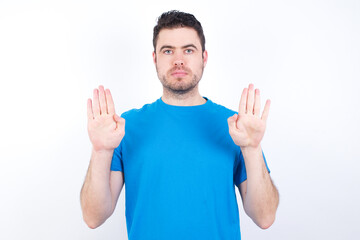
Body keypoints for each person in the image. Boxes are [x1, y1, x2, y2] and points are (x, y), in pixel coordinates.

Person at [80, 10, 279, 240]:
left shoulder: (237, 127)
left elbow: (265, 217)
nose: (179, 60)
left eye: (188, 50)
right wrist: (101, 151)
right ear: (155, 58)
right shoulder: (123, 128)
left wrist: (252, 149)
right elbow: (93, 217)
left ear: (204, 58)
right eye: (168, 51)